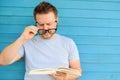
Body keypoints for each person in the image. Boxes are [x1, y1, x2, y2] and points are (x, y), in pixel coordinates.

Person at [0, 1, 82, 80]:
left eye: (49, 24)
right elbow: (3, 61)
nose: (45, 28)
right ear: (36, 23)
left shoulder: (68, 43)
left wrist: (66, 78)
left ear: (56, 20)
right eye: (41, 24)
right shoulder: (27, 41)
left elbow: (77, 71)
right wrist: (21, 39)